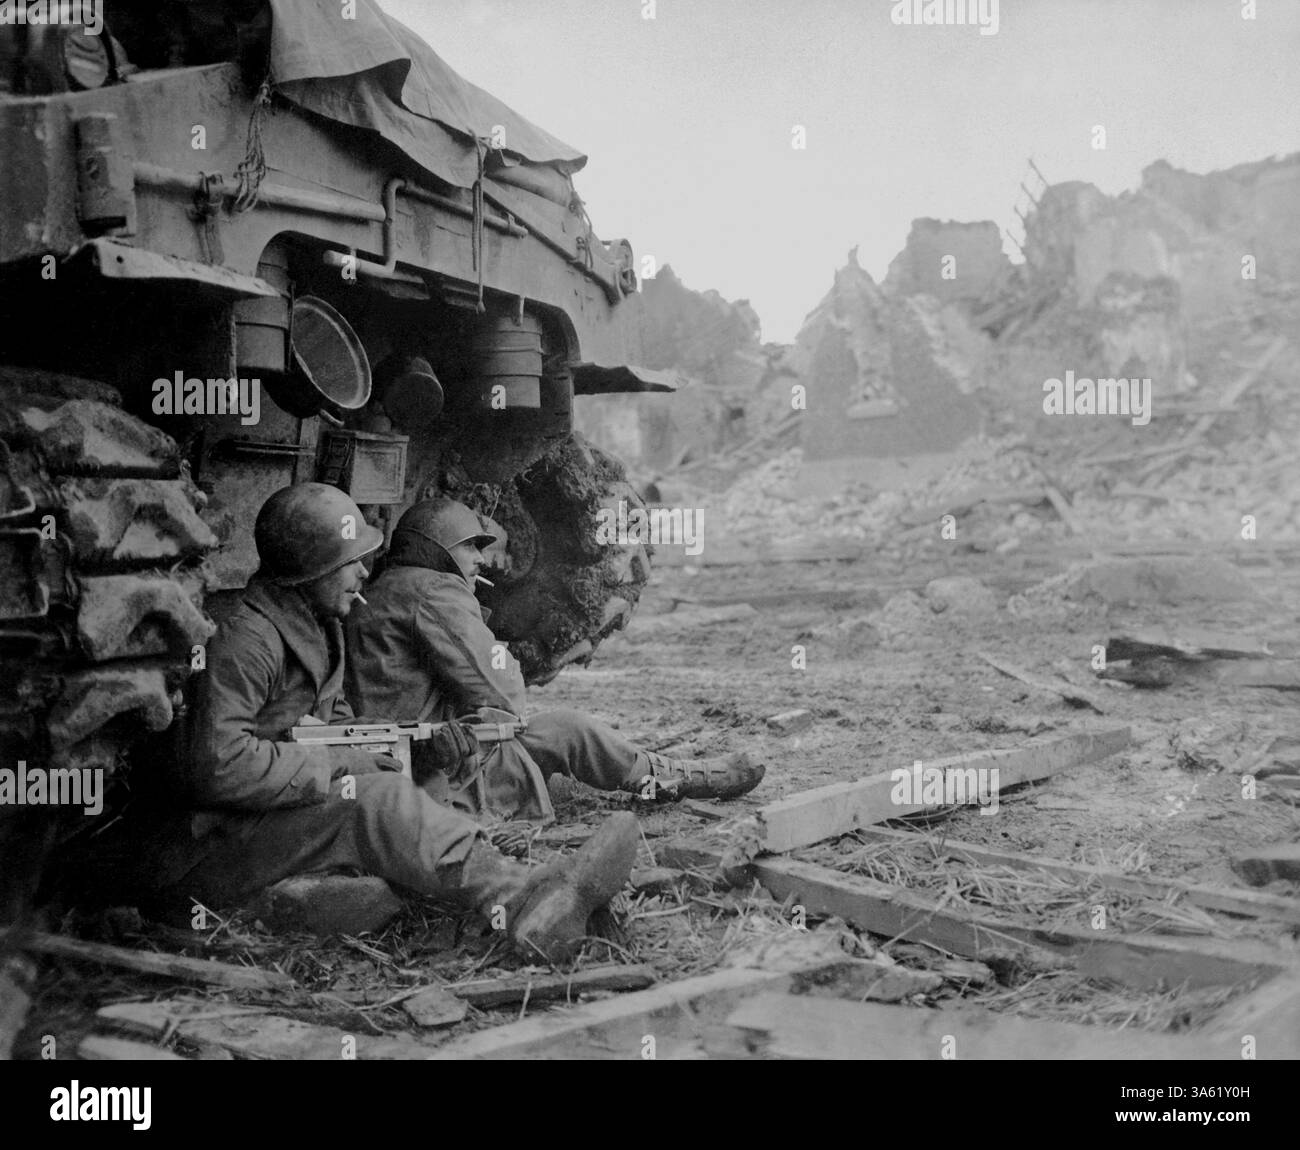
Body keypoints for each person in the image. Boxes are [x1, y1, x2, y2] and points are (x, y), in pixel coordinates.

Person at [136, 483, 637, 962]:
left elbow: (339, 729)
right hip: (207, 846)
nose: (362, 573)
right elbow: (216, 764)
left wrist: (419, 747)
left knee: (391, 787)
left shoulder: (318, 628)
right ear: (313, 570)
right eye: (349, 562)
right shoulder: (245, 637)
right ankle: (524, 900)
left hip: (267, 814)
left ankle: (527, 888)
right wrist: (338, 764)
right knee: (375, 801)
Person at [344, 498, 765, 822]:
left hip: (407, 763)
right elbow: (502, 693)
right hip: (438, 774)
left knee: (563, 734)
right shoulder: (434, 590)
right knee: (571, 731)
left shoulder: (388, 588)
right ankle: (679, 781)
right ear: (437, 549)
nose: (480, 559)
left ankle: (665, 776)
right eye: (470, 546)